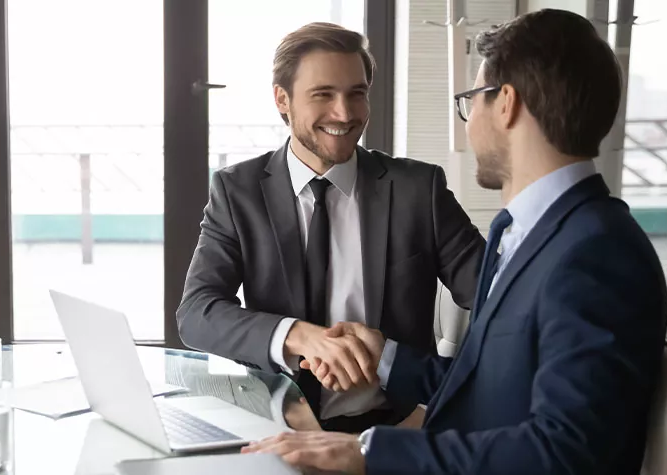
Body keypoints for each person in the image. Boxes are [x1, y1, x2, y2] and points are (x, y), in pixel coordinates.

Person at [243, 9, 667, 474]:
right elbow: (486, 388)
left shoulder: (596, 255)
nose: (468, 121)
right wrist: (383, 356)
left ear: (506, 104)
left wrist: (367, 453)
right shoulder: (526, 233)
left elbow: (567, 453)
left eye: (472, 99)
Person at [176, 22, 486, 433]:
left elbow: (500, 295)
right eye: (323, 95)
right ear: (282, 100)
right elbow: (197, 312)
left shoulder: (418, 189)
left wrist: (435, 406)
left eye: (356, 94)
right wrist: (297, 335)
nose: (344, 114)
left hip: (395, 428)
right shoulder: (238, 192)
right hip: (283, 425)